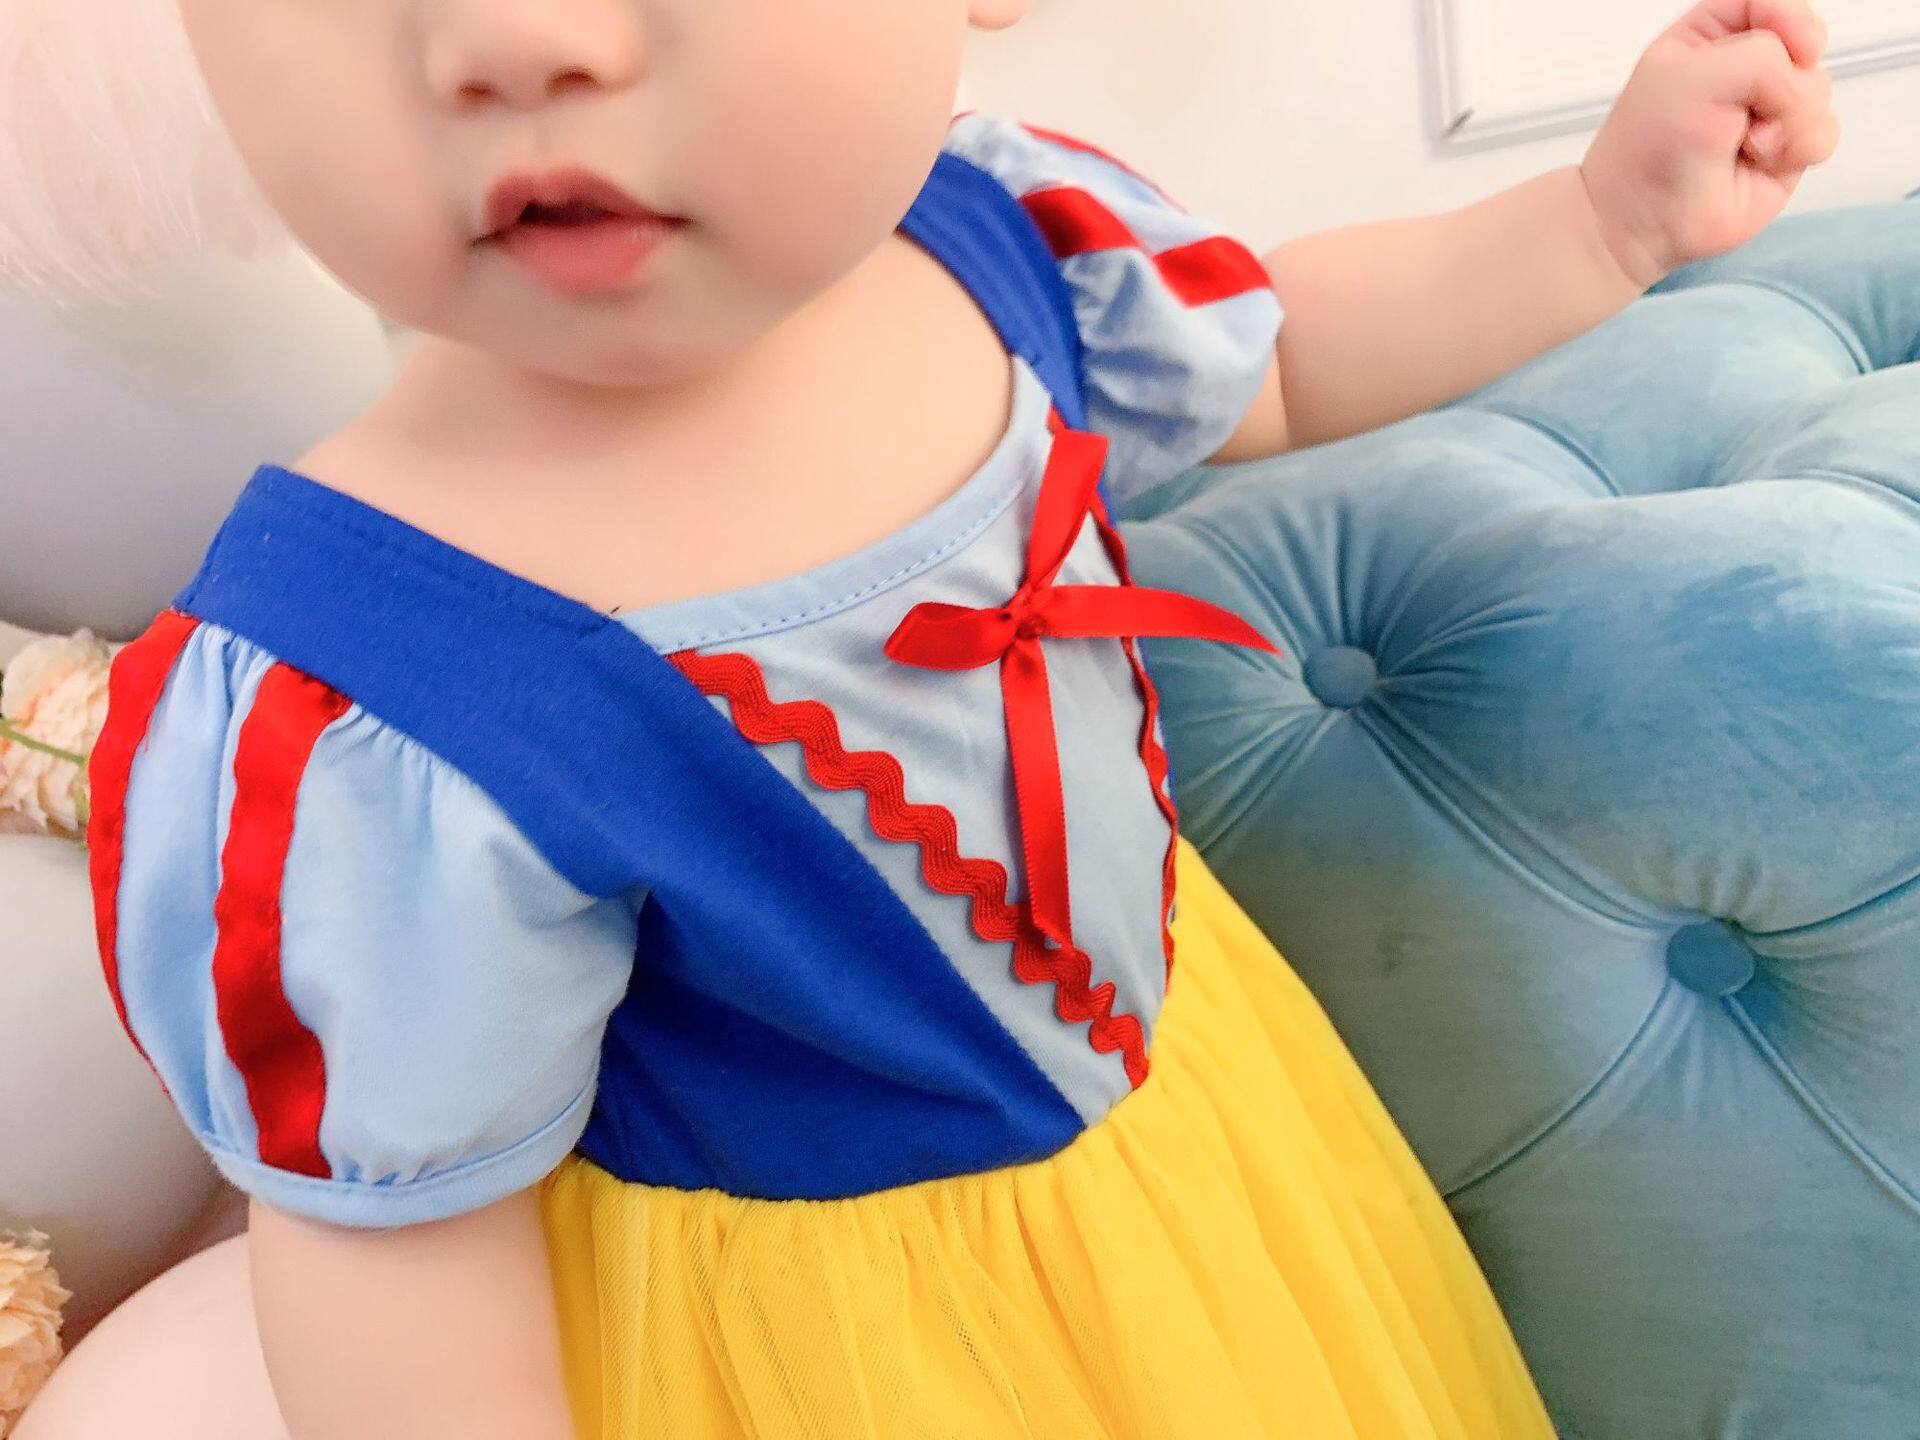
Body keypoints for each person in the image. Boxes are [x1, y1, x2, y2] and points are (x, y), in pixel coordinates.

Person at [44, 1, 1837, 1436]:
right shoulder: (360, 695)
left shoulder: (1001, 245)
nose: (519, 38)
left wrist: (1599, 222)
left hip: (1200, 1139)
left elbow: (1281, 359)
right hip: (830, 1350)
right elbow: (400, 1261)